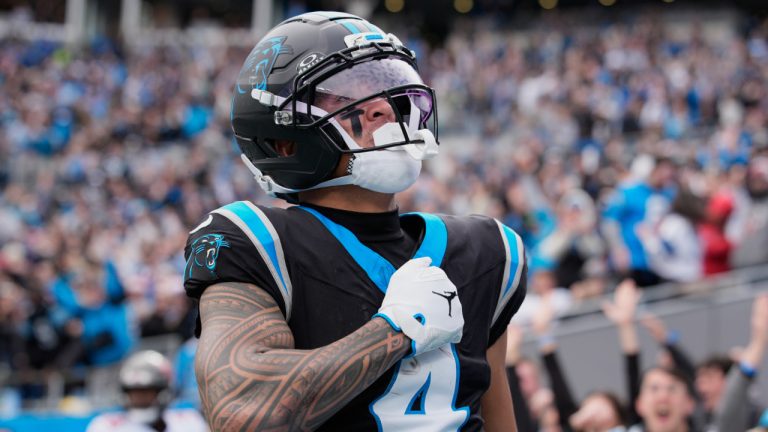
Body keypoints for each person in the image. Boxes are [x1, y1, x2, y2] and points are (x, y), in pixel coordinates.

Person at [183, 11, 527, 432]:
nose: (386, 107)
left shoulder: (486, 249)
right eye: (350, 96)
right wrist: (397, 330)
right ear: (284, 140)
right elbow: (240, 410)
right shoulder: (257, 241)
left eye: (388, 85)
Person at [86, 350, 208, 432]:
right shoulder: (106, 426)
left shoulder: (189, 421)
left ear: (163, 391)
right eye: (133, 392)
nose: (139, 398)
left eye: (146, 392)